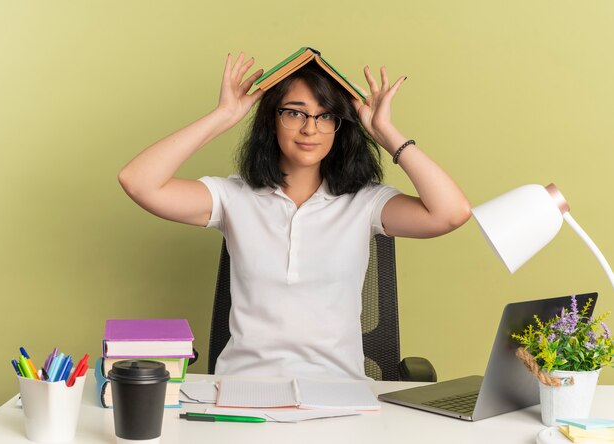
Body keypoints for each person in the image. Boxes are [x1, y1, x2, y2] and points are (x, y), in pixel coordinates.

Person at [118, 52, 471, 380]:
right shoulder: (232, 197)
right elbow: (138, 182)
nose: (310, 129)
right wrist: (222, 116)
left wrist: (385, 133)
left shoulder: (366, 203)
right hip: (244, 389)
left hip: (339, 394)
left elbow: (451, 213)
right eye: (294, 112)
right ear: (271, 121)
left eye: (325, 116)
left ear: (340, 125)